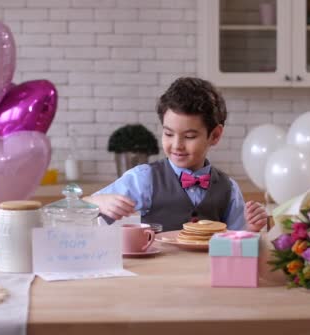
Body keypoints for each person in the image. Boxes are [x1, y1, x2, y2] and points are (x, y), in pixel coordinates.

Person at [84, 77, 267, 232]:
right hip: (158, 274)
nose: (177, 145)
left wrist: (250, 228)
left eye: (189, 136)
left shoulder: (229, 189)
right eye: (169, 134)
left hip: (208, 273)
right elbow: (75, 211)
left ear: (215, 135)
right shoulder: (144, 179)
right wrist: (96, 201)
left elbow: (236, 241)